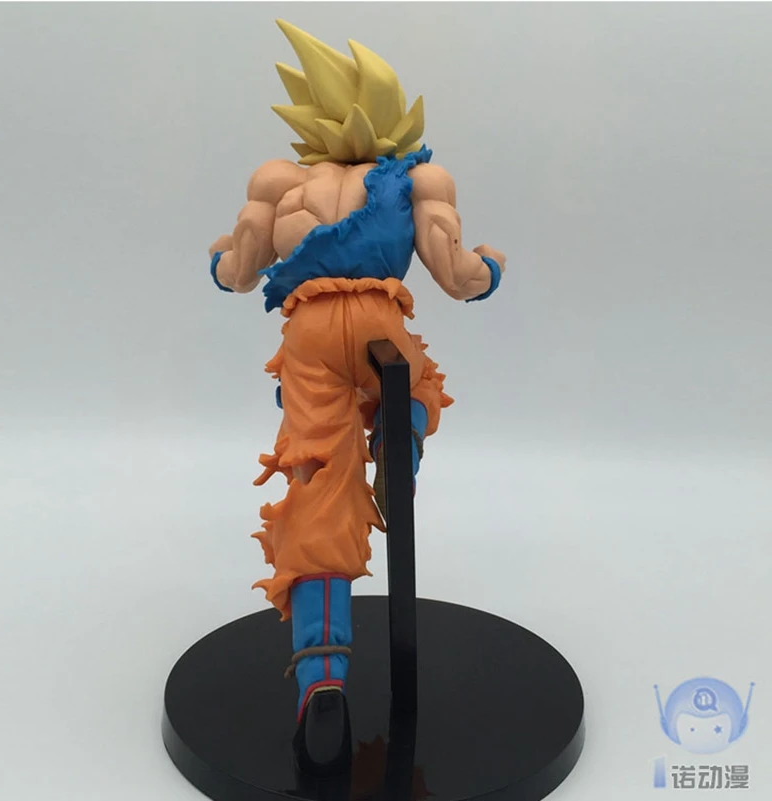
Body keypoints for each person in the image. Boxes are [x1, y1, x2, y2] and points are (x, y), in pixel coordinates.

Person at [208, 19, 505, 775]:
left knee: (317, 492)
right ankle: (398, 448)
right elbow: (458, 275)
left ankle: (321, 677)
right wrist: (492, 268)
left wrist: (219, 260)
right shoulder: (418, 179)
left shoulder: (279, 179)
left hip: (308, 335)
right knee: (418, 385)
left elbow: (237, 272)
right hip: (379, 321)